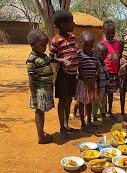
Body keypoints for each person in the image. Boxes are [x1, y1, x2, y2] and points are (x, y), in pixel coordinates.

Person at [50, 10, 79, 139]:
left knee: (69, 100)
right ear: (62, 25)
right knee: (63, 101)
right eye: (71, 22)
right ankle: (62, 127)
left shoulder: (72, 37)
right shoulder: (56, 40)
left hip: (73, 74)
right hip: (63, 75)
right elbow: (51, 57)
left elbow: (75, 51)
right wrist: (62, 60)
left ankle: (67, 124)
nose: (73, 24)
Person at [26, 29, 55, 144]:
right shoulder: (31, 59)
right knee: (39, 112)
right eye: (42, 45)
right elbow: (31, 79)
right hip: (39, 90)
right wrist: (34, 96)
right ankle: (41, 137)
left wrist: (62, 60)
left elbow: (52, 59)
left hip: (46, 88)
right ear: (33, 45)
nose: (44, 47)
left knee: (41, 112)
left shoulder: (43, 56)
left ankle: (41, 133)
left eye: (45, 45)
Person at [75, 31, 99, 133]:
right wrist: (86, 80)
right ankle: (83, 123)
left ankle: (89, 121)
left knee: (89, 103)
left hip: (92, 82)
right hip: (82, 83)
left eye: (91, 45)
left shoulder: (94, 54)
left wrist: (93, 78)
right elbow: (80, 69)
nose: (89, 47)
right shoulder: (79, 54)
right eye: (86, 45)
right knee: (81, 103)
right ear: (81, 43)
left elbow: (97, 67)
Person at [101, 20, 121, 120]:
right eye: (108, 33)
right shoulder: (102, 44)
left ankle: (110, 111)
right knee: (104, 93)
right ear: (104, 32)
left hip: (114, 73)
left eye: (112, 33)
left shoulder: (118, 43)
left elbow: (120, 55)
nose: (110, 35)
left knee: (111, 93)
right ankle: (103, 112)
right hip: (105, 73)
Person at [92, 42, 109, 123]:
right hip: (98, 88)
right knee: (95, 103)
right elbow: (95, 77)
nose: (104, 56)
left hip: (103, 87)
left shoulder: (102, 62)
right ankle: (94, 117)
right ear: (97, 53)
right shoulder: (96, 63)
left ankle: (103, 114)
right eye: (102, 54)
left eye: (106, 54)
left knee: (103, 102)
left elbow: (104, 74)